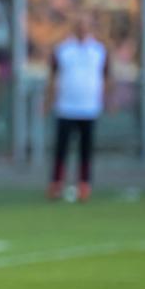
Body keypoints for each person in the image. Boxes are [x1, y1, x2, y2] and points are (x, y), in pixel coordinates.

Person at [46, 13, 109, 202]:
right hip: (66, 106)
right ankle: (56, 183)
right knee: (61, 148)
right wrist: (48, 100)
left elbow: (107, 76)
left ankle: (84, 184)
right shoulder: (63, 49)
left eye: (86, 25)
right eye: (80, 24)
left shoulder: (99, 50)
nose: (83, 28)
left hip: (89, 107)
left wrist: (108, 99)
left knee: (85, 149)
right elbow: (52, 76)